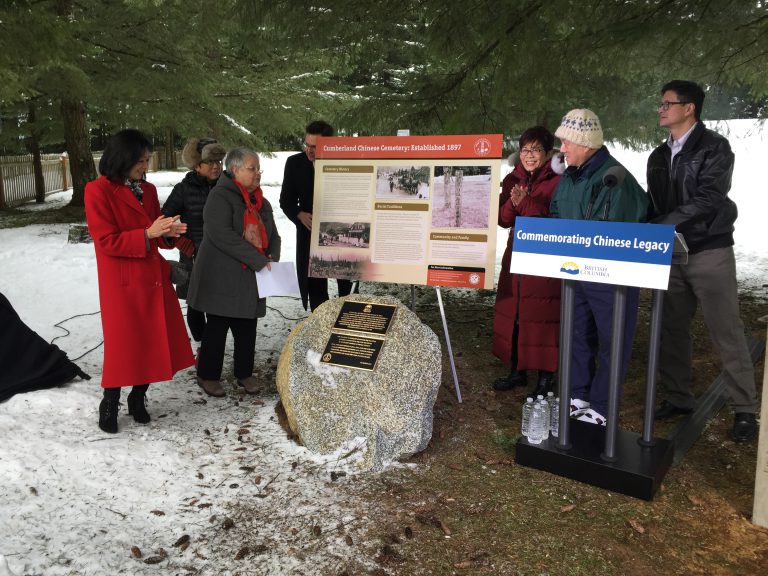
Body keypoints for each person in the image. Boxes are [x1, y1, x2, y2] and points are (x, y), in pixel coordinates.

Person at [646, 80, 759, 442]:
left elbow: (711, 197)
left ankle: (746, 410)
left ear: (689, 107)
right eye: (661, 103)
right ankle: (679, 397)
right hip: (672, 251)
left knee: (726, 330)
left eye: (668, 103)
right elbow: (655, 203)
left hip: (710, 250)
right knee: (671, 328)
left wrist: (666, 222)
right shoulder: (658, 156)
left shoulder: (715, 148)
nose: (661, 109)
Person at [85, 129, 194, 433]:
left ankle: (138, 396)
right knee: (124, 344)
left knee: (151, 339)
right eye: (141, 161)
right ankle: (110, 400)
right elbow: (106, 240)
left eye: (147, 160)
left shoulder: (146, 191)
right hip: (120, 283)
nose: (146, 166)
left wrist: (169, 232)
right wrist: (148, 234)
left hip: (151, 276)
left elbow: (155, 232)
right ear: (124, 158)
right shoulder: (97, 191)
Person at [549, 109, 649, 426]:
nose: (561, 149)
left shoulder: (615, 178)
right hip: (575, 272)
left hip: (611, 278)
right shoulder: (570, 176)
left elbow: (629, 228)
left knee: (612, 340)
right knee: (577, 335)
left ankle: (603, 406)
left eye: (566, 142)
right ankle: (576, 395)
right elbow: (556, 215)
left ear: (585, 143)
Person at [186, 147, 281, 397]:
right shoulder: (220, 197)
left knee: (246, 326)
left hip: (250, 276)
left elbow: (274, 236)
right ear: (235, 170)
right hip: (221, 276)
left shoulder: (261, 201)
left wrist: (272, 256)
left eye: (259, 168)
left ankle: (244, 373)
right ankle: (208, 375)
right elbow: (221, 235)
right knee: (217, 327)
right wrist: (258, 260)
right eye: (252, 168)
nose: (257, 173)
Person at [492, 126, 563, 396]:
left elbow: (558, 220)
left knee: (544, 316)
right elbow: (502, 219)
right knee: (516, 313)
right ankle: (516, 370)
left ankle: (546, 377)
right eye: (524, 150)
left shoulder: (559, 180)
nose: (529, 155)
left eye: (535, 150)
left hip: (545, 255)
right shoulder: (513, 178)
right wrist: (514, 203)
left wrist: (525, 203)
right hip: (516, 253)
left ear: (547, 153)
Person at [162, 137, 227, 357]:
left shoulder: (228, 186)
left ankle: (213, 346)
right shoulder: (183, 189)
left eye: (219, 161)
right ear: (196, 165)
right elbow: (164, 220)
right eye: (210, 162)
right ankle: (202, 346)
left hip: (223, 257)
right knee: (196, 303)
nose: (216, 166)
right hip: (193, 257)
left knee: (219, 304)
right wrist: (182, 242)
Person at [279, 120, 353, 311]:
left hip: (342, 235)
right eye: (307, 145)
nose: (309, 150)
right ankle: (320, 326)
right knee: (316, 290)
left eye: (315, 146)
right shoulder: (295, 163)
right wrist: (299, 214)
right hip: (310, 235)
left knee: (346, 287)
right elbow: (285, 200)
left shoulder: (347, 162)